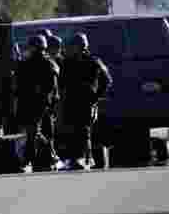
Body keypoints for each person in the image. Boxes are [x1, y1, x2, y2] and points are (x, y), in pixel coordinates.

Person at [59, 32, 112, 170]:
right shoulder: (67, 62)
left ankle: (85, 159)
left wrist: (95, 97)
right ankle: (76, 159)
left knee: (83, 131)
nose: (73, 48)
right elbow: (60, 83)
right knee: (72, 131)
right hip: (70, 102)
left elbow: (106, 81)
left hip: (86, 102)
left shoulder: (93, 61)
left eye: (75, 46)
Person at [14, 35, 60, 171]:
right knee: (36, 133)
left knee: (33, 133)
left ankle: (36, 158)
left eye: (30, 47)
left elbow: (22, 83)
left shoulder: (33, 63)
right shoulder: (49, 63)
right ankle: (46, 157)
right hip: (44, 105)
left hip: (36, 105)